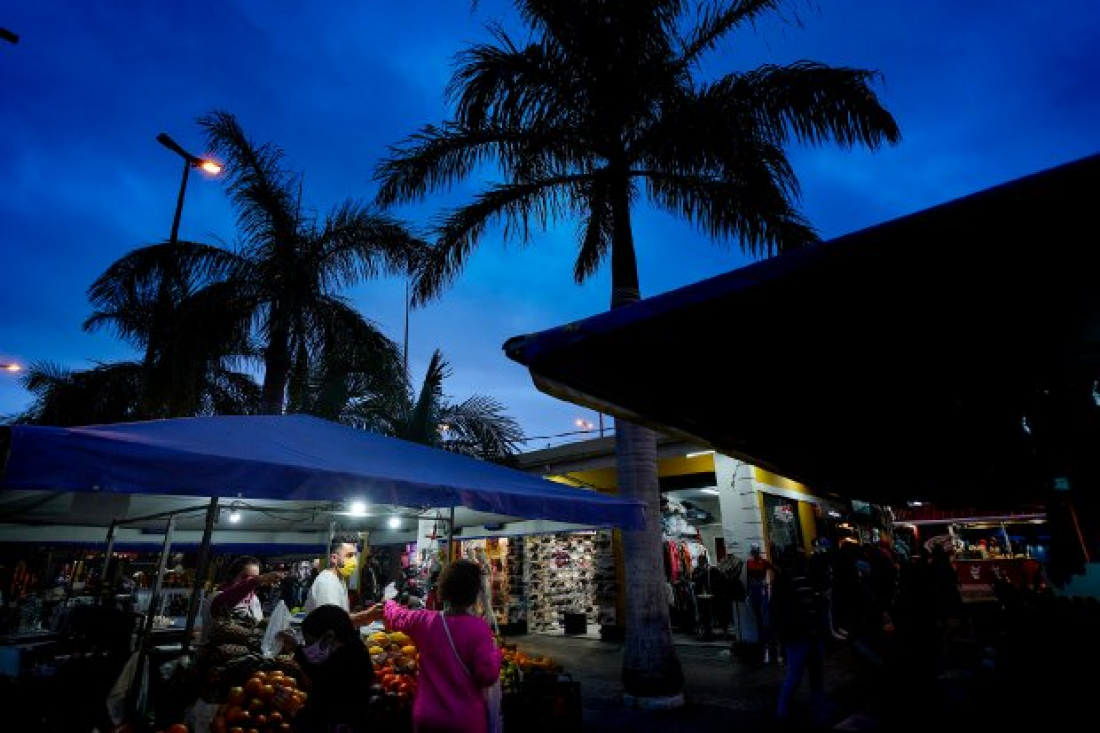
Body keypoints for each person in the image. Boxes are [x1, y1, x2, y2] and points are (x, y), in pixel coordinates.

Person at [364, 558, 502, 733]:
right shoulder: (479, 630)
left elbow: (399, 617)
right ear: (475, 592)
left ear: (444, 588)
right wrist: (496, 653)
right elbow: (487, 675)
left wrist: (389, 603)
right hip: (464, 720)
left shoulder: (426, 621)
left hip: (427, 718)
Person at [277, 603, 375, 733]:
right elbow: (321, 674)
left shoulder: (346, 669)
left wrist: (294, 710)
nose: (309, 648)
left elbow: (323, 712)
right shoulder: (353, 649)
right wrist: (298, 650)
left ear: (329, 636)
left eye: (311, 643)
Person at [769, 545, 830, 724]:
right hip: (797, 635)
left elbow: (814, 603)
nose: (803, 558)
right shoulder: (784, 579)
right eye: (799, 555)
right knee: (795, 675)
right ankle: (783, 709)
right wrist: (783, 635)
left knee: (815, 674)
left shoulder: (808, 576)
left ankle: (818, 710)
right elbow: (777, 610)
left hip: (811, 634)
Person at [304, 532, 372, 627]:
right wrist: (367, 615)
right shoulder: (327, 583)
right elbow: (333, 622)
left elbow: (341, 616)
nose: (354, 561)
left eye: (355, 555)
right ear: (334, 558)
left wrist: (362, 615)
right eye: (349, 555)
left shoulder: (339, 579)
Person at [207, 555, 284, 626]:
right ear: (233, 576)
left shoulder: (254, 599)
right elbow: (224, 601)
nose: (249, 580)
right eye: (245, 576)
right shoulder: (217, 595)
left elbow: (256, 622)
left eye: (254, 577)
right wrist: (257, 579)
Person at [745, 544, 777, 662]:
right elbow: (748, 579)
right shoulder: (749, 563)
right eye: (753, 552)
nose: (754, 553)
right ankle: (763, 641)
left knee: (764, 618)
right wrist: (748, 593)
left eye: (755, 552)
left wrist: (771, 584)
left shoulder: (764, 562)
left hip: (761, 591)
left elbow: (775, 570)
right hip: (755, 591)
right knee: (759, 618)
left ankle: (768, 640)